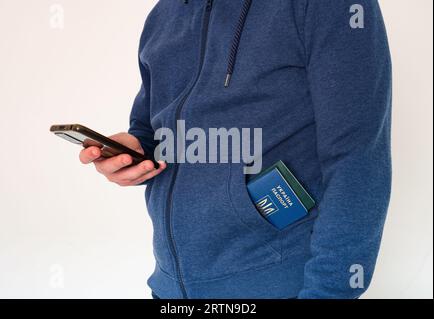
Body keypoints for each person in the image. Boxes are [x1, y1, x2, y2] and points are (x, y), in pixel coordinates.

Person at [79, 0, 392, 299]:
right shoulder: (165, 14)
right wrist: (133, 153)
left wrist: (329, 293)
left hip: (280, 287)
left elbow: (358, 160)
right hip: (169, 288)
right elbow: (151, 128)